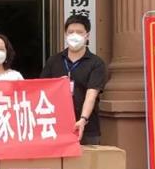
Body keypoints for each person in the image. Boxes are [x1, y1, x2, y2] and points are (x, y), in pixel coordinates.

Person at [40, 15, 107, 145]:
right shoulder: (54, 61)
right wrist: (55, 85)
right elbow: (42, 89)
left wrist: (83, 119)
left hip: (87, 128)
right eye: (71, 32)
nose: (74, 35)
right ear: (65, 35)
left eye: (79, 32)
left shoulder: (96, 63)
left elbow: (91, 94)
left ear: (87, 35)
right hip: (56, 126)